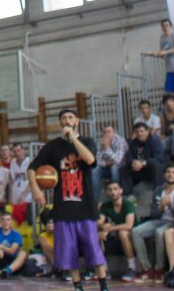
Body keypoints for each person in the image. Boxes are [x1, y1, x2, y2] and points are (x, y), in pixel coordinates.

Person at [31, 109, 110, 291]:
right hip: (63, 208)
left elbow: (90, 160)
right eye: (63, 118)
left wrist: (73, 139)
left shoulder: (87, 141)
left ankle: (103, 286)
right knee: (69, 252)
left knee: (93, 249)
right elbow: (32, 167)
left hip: (85, 206)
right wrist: (36, 189)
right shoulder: (52, 146)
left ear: (76, 121)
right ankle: (77, 286)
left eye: (70, 117)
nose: (67, 120)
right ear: (60, 122)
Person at [131, 164, 174, 281]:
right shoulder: (158, 190)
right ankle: (146, 269)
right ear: (164, 174)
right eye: (168, 172)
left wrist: (171, 205)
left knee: (159, 232)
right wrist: (160, 208)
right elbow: (153, 214)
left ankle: (159, 268)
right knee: (136, 231)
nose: (170, 174)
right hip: (159, 220)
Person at [97, 180, 137, 281]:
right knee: (98, 235)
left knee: (123, 233)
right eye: (110, 190)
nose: (113, 192)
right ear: (106, 192)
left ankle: (132, 268)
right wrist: (103, 227)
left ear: (121, 191)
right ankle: (105, 269)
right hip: (114, 233)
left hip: (132, 234)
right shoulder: (105, 205)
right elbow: (99, 223)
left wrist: (109, 228)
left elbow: (129, 225)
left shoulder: (128, 204)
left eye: (115, 189)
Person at [149, 19, 174, 94]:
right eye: (163, 26)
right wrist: (154, 53)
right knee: (170, 94)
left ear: (171, 26)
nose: (165, 27)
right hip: (170, 70)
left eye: (167, 25)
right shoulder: (162, 38)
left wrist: (166, 52)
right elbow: (162, 53)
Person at [123, 122, 165, 190]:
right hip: (139, 169)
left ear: (147, 131)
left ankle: (158, 192)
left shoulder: (155, 141)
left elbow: (159, 158)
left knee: (157, 166)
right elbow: (129, 156)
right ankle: (128, 195)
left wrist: (143, 163)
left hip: (151, 168)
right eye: (137, 132)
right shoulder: (133, 143)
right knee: (123, 168)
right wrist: (133, 162)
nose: (139, 134)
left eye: (142, 131)